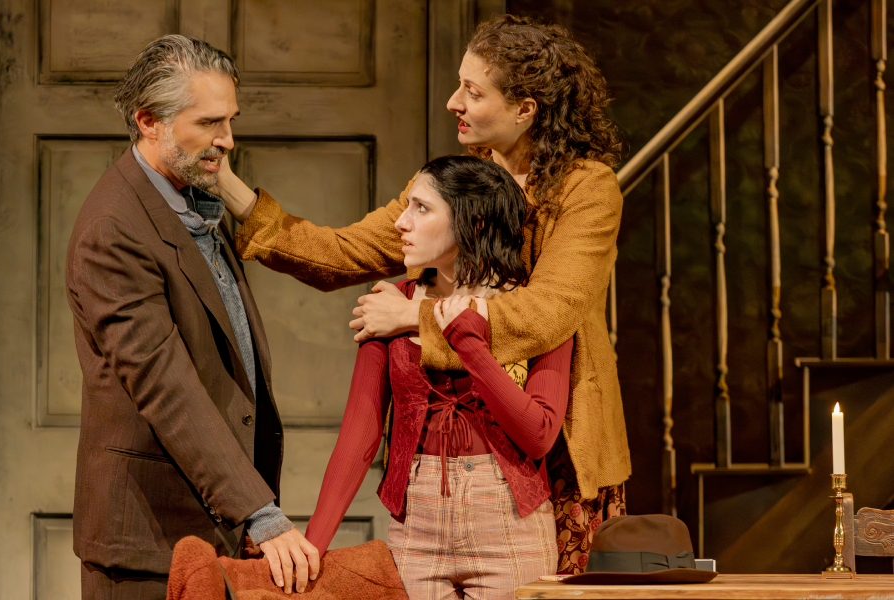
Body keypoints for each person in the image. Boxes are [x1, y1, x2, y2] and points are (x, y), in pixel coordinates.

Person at [213, 15, 629, 574]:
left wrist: (416, 317)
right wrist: (226, 185)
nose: (454, 101)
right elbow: (342, 253)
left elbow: (549, 312)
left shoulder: (586, 188)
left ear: (526, 108)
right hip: (445, 479)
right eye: (458, 83)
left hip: (561, 445)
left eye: (474, 92)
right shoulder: (452, 186)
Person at [65, 35, 318, 599]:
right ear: (149, 120)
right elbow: (165, 383)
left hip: (209, 528)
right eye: (208, 123)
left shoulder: (193, 197)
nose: (227, 140)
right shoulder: (115, 228)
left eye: (229, 120)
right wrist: (259, 512)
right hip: (149, 538)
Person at [305, 155, 570, 597]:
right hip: (417, 527)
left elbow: (539, 434)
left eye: (422, 208)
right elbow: (360, 430)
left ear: (476, 223)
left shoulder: (535, 311)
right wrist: (314, 546)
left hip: (510, 524)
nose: (401, 224)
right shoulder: (390, 304)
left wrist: (461, 337)